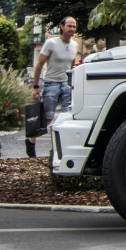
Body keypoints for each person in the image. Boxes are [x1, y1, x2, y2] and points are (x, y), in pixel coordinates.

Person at [28, 16, 78, 158]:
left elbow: (72, 66)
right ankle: (31, 142)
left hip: (66, 84)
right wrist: (36, 86)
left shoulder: (74, 45)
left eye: (74, 27)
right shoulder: (51, 43)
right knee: (47, 118)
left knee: (67, 116)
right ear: (62, 27)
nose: (72, 29)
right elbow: (39, 65)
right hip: (51, 82)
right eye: (69, 26)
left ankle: (64, 148)